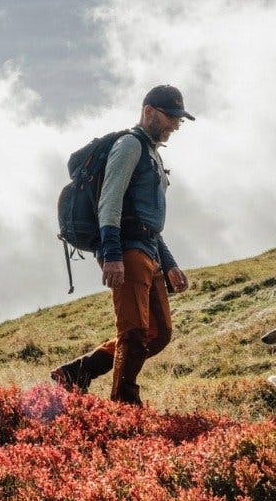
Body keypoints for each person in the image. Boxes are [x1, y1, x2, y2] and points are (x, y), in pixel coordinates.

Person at [51, 85, 193, 405]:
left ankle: (76, 373)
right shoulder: (130, 145)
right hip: (126, 249)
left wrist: (169, 264)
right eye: (170, 117)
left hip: (149, 249)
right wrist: (113, 253)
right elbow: (110, 200)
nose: (174, 125)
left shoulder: (153, 154)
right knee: (134, 332)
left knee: (159, 333)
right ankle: (125, 405)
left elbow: (150, 221)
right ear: (148, 112)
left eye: (178, 120)